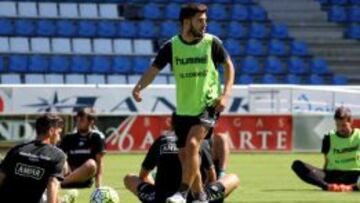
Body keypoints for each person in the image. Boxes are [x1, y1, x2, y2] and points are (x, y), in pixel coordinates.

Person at [132, 3, 235, 202]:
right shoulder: (172, 46)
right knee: (185, 155)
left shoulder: (211, 43)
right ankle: (200, 196)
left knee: (194, 144)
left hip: (208, 105)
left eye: (205, 20)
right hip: (184, 110)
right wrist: (138, 87)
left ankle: (182, 192)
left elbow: (229, 66)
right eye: (200, 21)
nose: (204, 24)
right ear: (186, 22)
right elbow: (153, 70)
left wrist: (225, 94)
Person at [123, 129, 239, 203]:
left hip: (160, 198)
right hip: (196, 197)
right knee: (234, 178)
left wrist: (154, 187)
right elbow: (212, 177)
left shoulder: (162, 140)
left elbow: (143, 175)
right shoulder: (200, 142)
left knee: (129, 178)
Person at [0, 114, 66, 203]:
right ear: (51, 131)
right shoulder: (57, 155)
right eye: (58, 133)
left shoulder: (17, 150)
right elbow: (52, 185)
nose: (59, 138)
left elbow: (1, 177)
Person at [292, 106, 360, 192]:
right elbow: (327, 162)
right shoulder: (328, 138)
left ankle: (352, 187)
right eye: (338, 125)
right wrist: (322, 179)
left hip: (355, 176)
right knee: (297, 165)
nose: (341, 128)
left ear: (351, 122)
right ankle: (327, 186)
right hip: (333, 176)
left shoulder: (359, 136)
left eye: (344, 125)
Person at [59, 108, 106, 189]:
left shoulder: (97, 137)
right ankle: (65, 181)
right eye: (77, 120)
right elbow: (61, 156)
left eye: (82, 120)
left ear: (91, 121)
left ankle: (61, 183)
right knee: (59, 158)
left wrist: (98, 186)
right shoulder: (69, 137)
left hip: (84, 177)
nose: (78, 122)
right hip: (68, 172)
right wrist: (67, 168)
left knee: (91, 164)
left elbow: (99, 163)